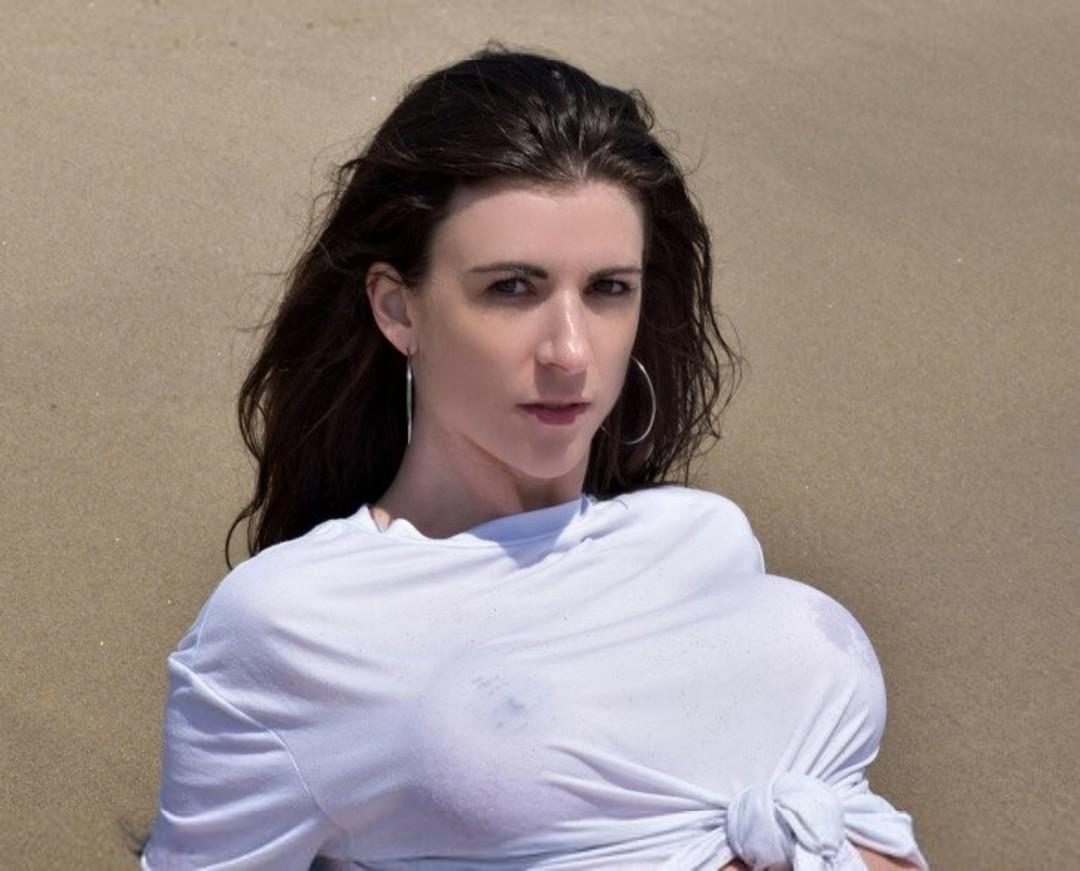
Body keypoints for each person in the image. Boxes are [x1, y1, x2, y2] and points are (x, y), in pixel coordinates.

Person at [140, 44, 929, 870]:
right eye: (512, 288)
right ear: (398, 308)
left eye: (608, 288)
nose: (570, 351)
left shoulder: (707, 538)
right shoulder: (290, 622)